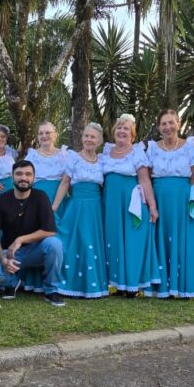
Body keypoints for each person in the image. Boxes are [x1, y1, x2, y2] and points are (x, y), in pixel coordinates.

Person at [146, 109, 194, 298]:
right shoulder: (153, 148)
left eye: (171, 122)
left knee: (187, 239)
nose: (168, 127)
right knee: (162, 239)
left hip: (183, 200)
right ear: (159, 127)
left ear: (178, 124)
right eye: (164, 123)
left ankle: (185, 287)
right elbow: (146, 179)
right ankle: (164, 287)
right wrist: (151, 204)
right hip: (161, 199)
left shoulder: (189, 147)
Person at [0, 160, 66, 307]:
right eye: (19, 174)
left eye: (28, 174)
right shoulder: (0, 200)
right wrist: (3, 260)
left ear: (33, 178)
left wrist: (20, 239)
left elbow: (50, 230)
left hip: (35, 251)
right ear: (12, 176)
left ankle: (51, 290)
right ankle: (12, 282)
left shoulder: (41, 197)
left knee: (55, 244)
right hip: (9, 253)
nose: (23, 178)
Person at [100, 114, 160, 296]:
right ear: (114, 131)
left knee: (132, 242)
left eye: (126, 129)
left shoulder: (137, 152)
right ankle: (119, 285)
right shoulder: (106, 152)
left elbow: (145, 180)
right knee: (115, 241)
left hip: (132, 204)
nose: (122, 131)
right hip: (111, 204)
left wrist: (152, 206)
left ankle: (133, 286)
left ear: (132, 135)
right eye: (119, 128)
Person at [52, 123, 108, 298]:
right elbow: (65, 183)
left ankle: (94, 285)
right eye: (86, 136)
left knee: (92, 241)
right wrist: (54, 207)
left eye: (93, 137)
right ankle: (71, 285)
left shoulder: (103, 160)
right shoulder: (73, 158)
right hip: (78, 206)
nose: (88, 139)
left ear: (99, 141)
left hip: (96, 208)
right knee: (77, 241)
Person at [24, 121, 69, 214]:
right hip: (37, 199)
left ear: (55, 135)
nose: (44, 136)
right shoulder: (31, 156)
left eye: (47, 132)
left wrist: (54, 207)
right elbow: (25, 180)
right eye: (41, 133)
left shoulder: (64, 155)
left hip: (59, 200)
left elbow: (66, 182)